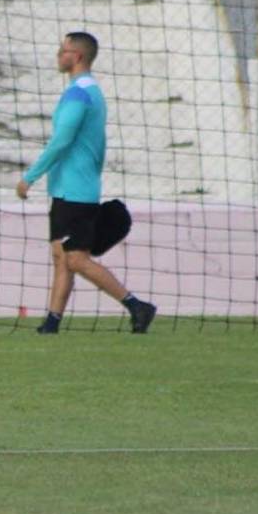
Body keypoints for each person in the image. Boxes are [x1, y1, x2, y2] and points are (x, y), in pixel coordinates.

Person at [15, 30, 157, 334]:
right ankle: (51, 323)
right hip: (71, 189)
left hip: (74, 192)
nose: (58, 54)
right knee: (61, 257)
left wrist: (30, 177)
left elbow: (61, 140)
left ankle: (135, 306)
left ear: (76, 56)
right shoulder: (90, 91)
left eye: (63, 50)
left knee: (76, 259)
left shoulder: (79, 93)